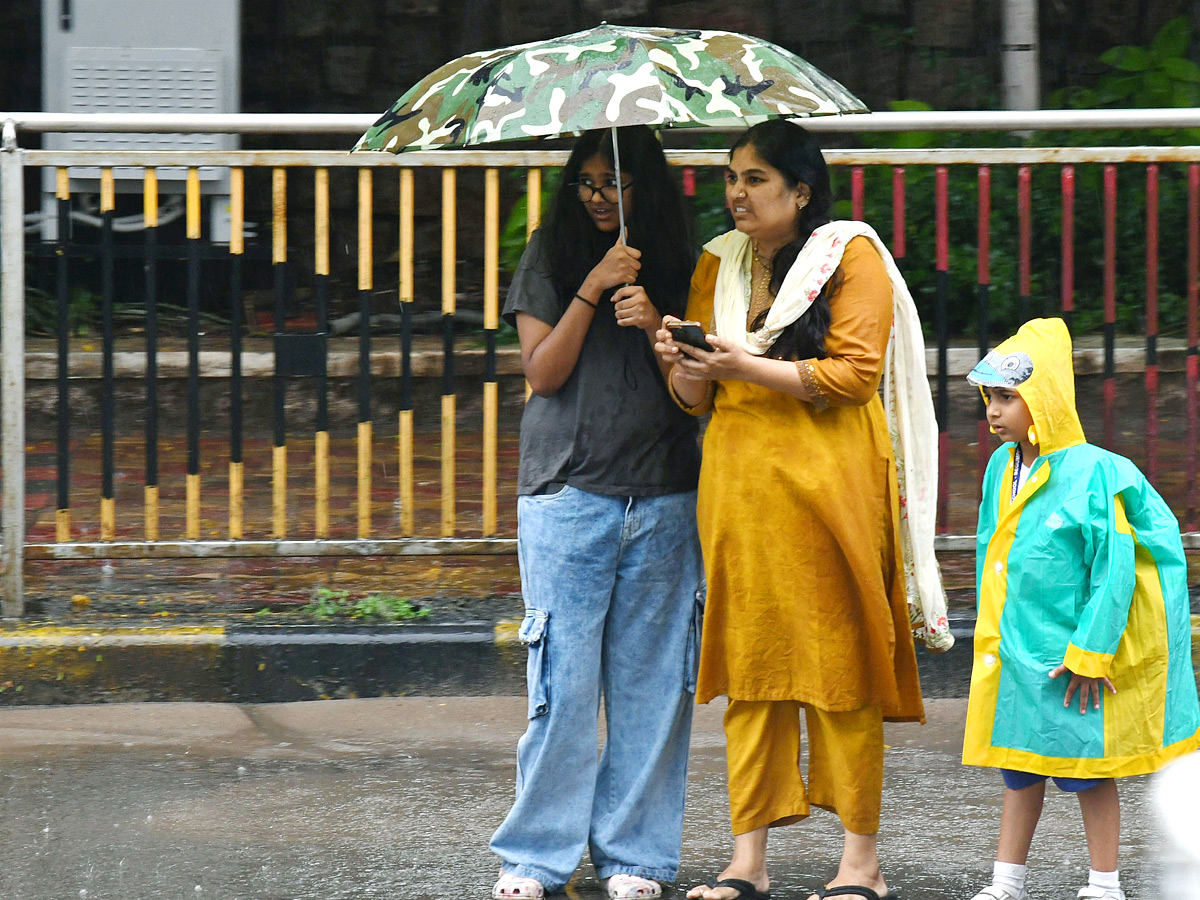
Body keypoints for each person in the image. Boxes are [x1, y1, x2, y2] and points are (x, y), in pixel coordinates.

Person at [654, 119, 949, 900]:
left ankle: (862, 865)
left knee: (840, 663)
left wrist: (744, 362)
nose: (736, 193)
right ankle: (745, 862)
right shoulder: (718, 261)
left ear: (800, 190)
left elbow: (853, 376)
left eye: (754, 178)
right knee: (751, 670)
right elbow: (695, 396)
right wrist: (679, 364)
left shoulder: (849, 254)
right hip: (740, 487)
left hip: (831, 483)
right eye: (730, 177)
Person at [489, 126, 703, 900]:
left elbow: (698, 388)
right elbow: (542, 374)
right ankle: (537, 856)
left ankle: (636, 856)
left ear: (648, 187)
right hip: (569, 494)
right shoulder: (551, 252)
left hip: (668, 491)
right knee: (562, 685)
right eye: (585, 183)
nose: (599, 197)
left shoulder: (683, 263)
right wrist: (592, 287)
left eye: (615, 183)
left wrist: (653, 319)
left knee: (653, 687)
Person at [962, 316, 1200, 900]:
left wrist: (1091, 653)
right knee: (1019, 770)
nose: (993, 410)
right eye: (989, 397)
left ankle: (1103, 883)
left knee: (1087, 772)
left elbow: (1116, 569)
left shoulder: (1095, 473)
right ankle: (1005, 882)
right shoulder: (1002, 466)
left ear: (1043, 401)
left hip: (1070, 655)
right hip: (1020, 648)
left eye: (1007, 397)